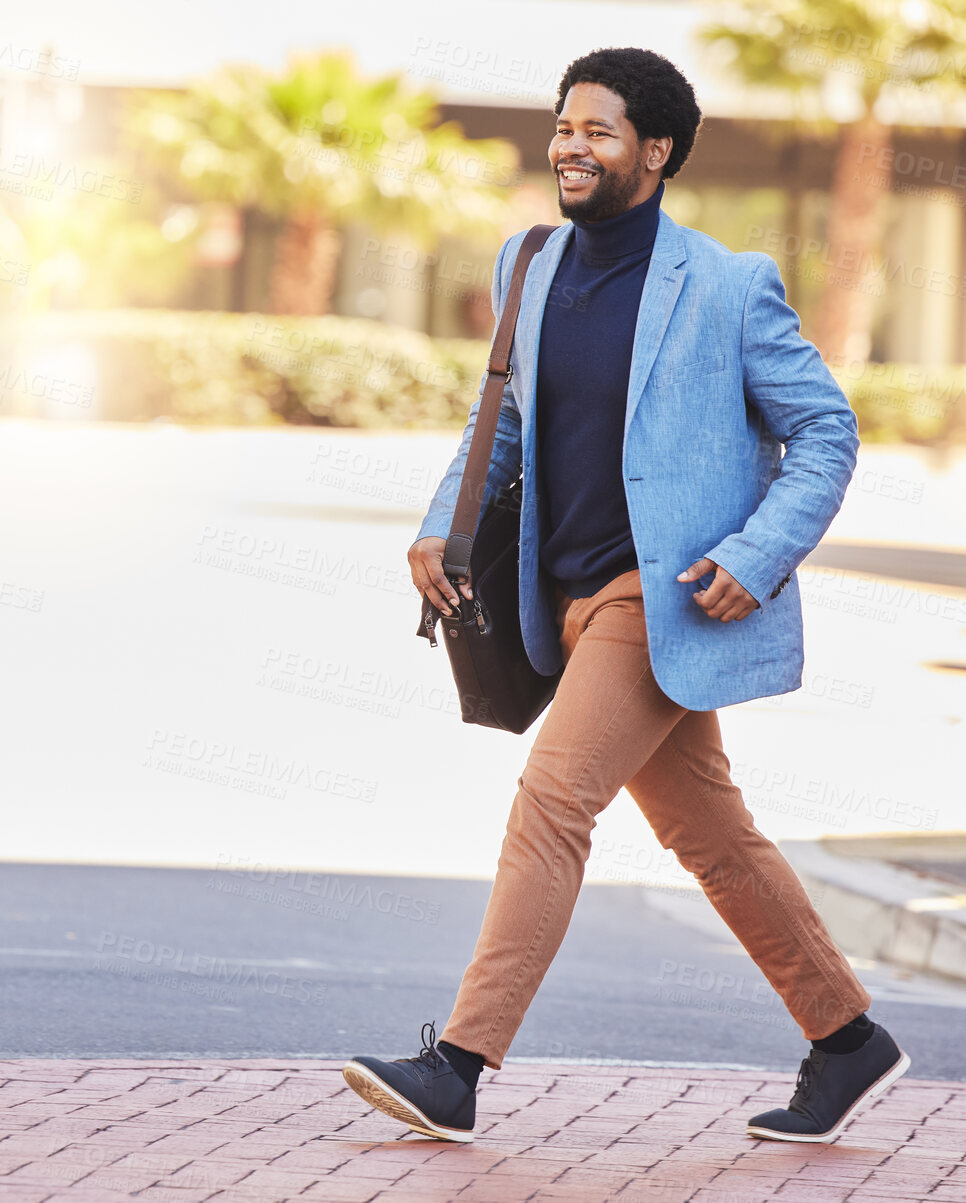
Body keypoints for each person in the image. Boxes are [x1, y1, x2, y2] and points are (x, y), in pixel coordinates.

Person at [341, 46, 908, 1145]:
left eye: (600, 132)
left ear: (656, 151)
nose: (571, 147)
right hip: (560, 596)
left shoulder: (727, 284)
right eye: (564, 127)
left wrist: (757, 553)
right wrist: (438, 522)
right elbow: (498, 423)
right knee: (714, 839)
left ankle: (458, 1063)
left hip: (660, 599)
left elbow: (826, 431)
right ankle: (846, 1039)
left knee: (553, 804)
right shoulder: (530, 262)